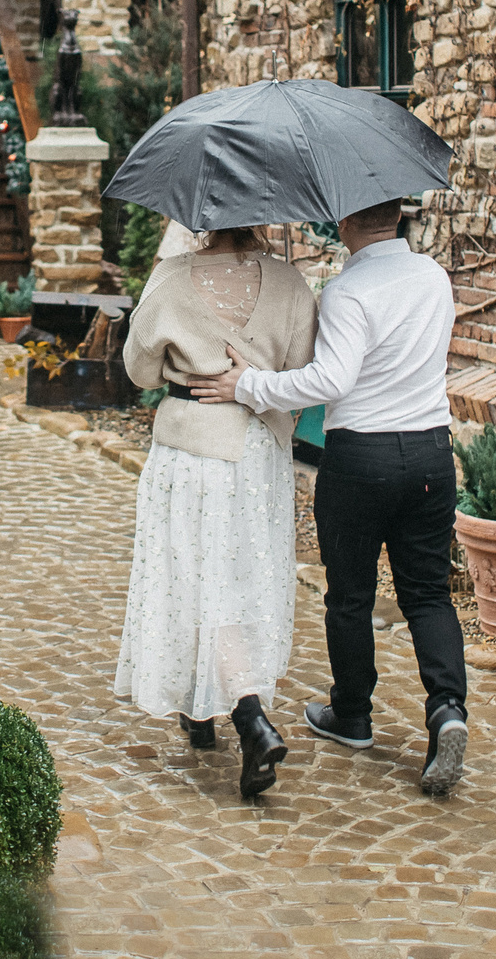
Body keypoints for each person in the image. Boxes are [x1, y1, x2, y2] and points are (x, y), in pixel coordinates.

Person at [186, 197, 468, 797]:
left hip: (361, 459)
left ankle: (352, 715)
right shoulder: (433, 276)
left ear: (343, 222)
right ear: (397, 213)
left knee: (350, 595)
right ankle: (447, 709)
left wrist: (249, 384)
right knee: (427, 593)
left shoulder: (348, 292)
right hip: (430, 454)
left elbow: (330, 381)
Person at [116, 225, 319, 798]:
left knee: (193, 574)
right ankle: (201, 707)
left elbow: (139, 371)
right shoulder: (290, 283)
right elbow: (301, 375)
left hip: (190, 449)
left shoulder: (170, 278)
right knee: (238, 576)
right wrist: (256, 379)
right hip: (259, 453)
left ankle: (249, 716)